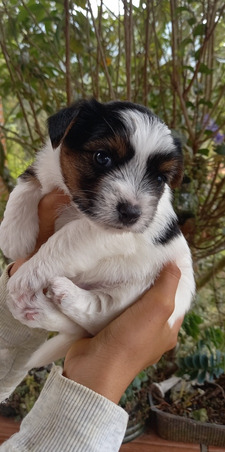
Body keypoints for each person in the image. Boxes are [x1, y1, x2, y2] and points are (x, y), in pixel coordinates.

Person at [0, 190, 183, 452]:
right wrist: (102, 374)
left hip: (130, 282)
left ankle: (85, 311)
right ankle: (83, 312)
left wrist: (18, 300)